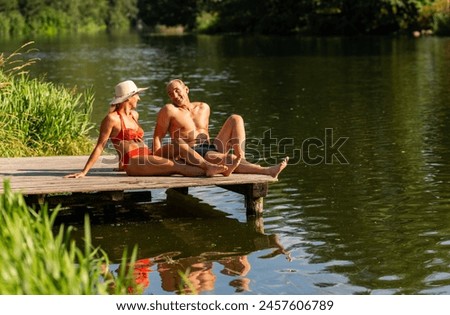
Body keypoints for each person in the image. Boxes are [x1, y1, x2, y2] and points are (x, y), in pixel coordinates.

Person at [65, 80, 228, 178]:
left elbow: (129, 141)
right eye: (136, 95)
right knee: (177, 167)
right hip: (135, 162)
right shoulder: (112, 119)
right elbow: (101, 145)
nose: (139, 98)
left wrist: (120, 163)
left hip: (148, 157)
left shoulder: (134, 115)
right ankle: (209, 169)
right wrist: (84, 171)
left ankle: (210, 165)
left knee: (179, 146)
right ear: (128, 98)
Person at [153, 79, 288, 178]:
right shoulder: (169, 110)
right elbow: (158, 136)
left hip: (209, 146)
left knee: (236, 118)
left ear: (186, 89)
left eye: (177, 90)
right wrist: (157, 158)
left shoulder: (203, 107)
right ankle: (267, 171)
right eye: (171, 94)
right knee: (227, 158)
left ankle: (241, 158)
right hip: (192, 152)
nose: (175, 96)